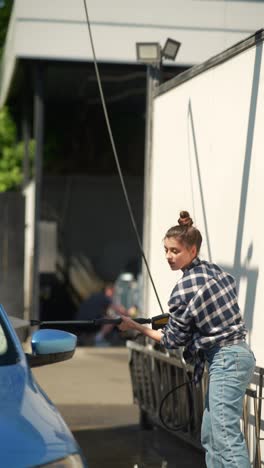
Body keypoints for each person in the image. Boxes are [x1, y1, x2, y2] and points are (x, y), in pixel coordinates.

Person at [118, 210, 256, 468]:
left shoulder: (184, 289)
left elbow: (171, 340)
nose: (169, 257)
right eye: (166, 251)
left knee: (224, 436)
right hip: (236, 356)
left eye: (175, 251)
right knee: (212, 434)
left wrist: (136, 326)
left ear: (192, 251)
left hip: (226, 359)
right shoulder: (214, 271)